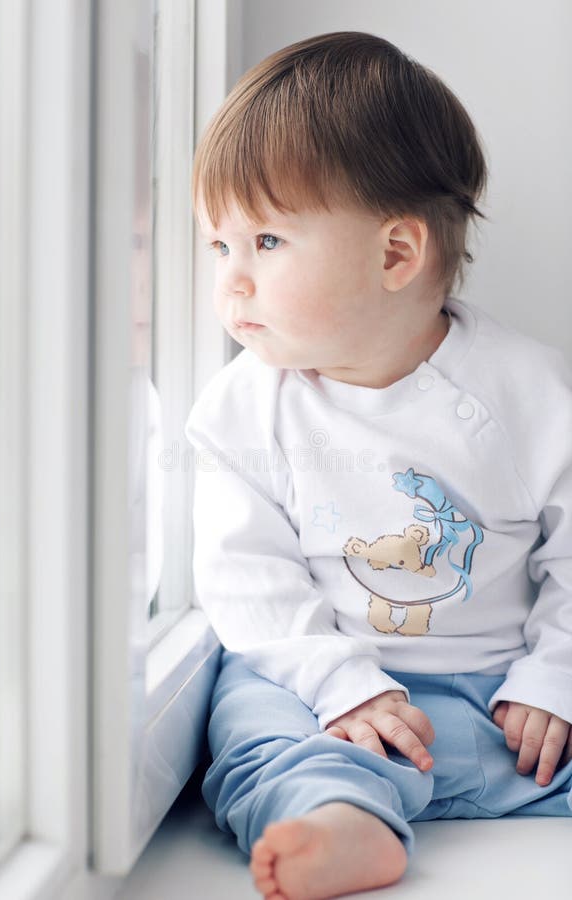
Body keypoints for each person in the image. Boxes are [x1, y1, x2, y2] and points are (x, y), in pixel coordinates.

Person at [184, 31, 572, 900]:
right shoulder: (246, 408)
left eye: (267, 244)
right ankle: (341, 821)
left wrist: (554, 678)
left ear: (396, 254)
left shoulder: (529, 394)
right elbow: (246, 579)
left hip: (504, 699)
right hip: (322, 697)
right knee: (248, 717)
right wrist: (340, 687)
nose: (231, 283)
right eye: (221, 247)